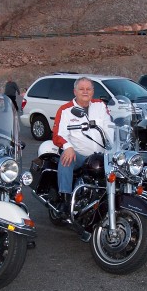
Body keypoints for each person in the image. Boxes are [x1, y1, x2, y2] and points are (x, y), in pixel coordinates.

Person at [52, 77, 113, 207]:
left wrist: (117, 144)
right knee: (66, 158)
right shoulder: (65, 110)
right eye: (81, 89)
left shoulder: (100, 105)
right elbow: (58, 134)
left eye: (88, 89)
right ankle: (65, 199)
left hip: (101, 155)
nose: (85, 92)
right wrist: (67, 147)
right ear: (75, 92)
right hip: (79, 154)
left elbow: (109, 127)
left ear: (93, 91)